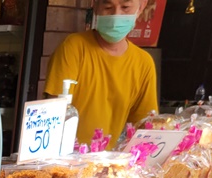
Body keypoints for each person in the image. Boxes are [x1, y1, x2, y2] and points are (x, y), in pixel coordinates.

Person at [44, 0, 158, 146]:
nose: (116, 15)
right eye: (108, 7)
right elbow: (53, 116)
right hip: (65, 159)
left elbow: (144, 127)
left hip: (106, 162)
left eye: (125, 7)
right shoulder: (73, 48)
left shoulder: (144, 63)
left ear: (141, 7)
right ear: (95, 6)